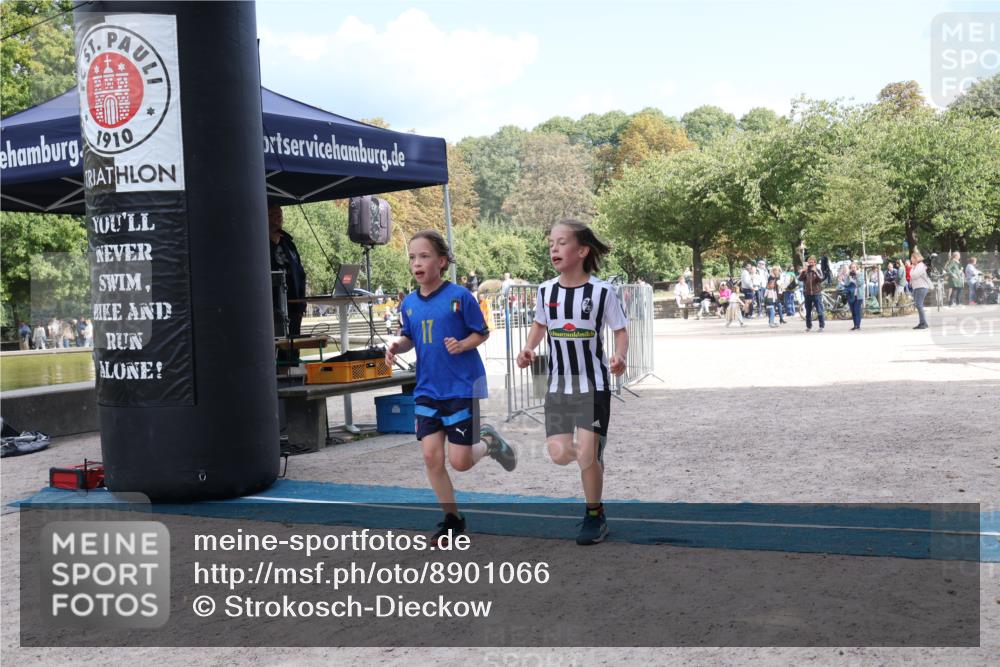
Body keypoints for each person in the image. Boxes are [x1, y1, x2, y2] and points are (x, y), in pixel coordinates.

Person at [384, 230, 516, 546]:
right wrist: (395, 345)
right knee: (431, 458)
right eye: (413, 257)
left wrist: (462, 344)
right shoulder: (409, 304)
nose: (417, 262)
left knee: (460, 462)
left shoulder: (460, 297)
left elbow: (482, 333)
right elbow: (409, 338)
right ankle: (453, 520)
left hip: (460, 389)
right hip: (427, 389)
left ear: (441, 261)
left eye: (424, 256)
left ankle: (489, 441)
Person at [516, 220, 628, 545]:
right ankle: (592, 457)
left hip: (592, 387)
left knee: (586, 456)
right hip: (557, 388)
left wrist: (620, 357)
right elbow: (539, 325)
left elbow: (620, 330)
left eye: (561, 242)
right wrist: (528, 348)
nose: (554, 248)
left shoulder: (602, 292)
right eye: (551, 242)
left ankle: (595, 514)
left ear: (581, 251)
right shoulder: (545, 291)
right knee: (559, 453)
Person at [268, 205, 307, 363]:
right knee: (277, 344)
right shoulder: (259, 242)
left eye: (280, 215)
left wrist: (302, 302)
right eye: (273, 215)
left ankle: (294, 371)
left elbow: (300, 273)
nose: (278, 218)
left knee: (293, 345)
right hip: (273, 306)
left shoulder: (288, 243)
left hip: (293, 304)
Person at [798, 255, 825, 332]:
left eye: (812, 262)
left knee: (819, 310)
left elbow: (821, 279)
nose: (811, 264)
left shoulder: (818, 270)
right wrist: (804, 271)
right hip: (807, 294)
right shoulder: (806, 271)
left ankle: (821, 326)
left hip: (816, 293)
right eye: (809, 262)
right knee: (808, 311)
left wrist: (815, 271)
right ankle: (808, 326)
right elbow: (800, 279)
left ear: (815, 263)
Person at [910, 251, 931, 329]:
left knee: (919, 305)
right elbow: (911, 275)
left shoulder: (921, 266)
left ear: (916, 258)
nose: (911, 259)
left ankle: (924, 323)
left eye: (912, 257)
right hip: (916, 287)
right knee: (918, 305)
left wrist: (911, 269)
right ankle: (921, 322)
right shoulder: (915, 266)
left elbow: (914, 275)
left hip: (922, 287)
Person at [840, 261, 864, 330]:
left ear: (856, 268)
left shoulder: (860, 274)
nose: (853, 269)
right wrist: (847, 276)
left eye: (854, 267)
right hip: (851, 295)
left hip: (858, 295)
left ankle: (858, 326)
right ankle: (855, 325)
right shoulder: (849, 275)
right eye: (851, 267)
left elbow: (860, 283)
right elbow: (846, 284)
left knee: (857, 310)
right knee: (853, 311)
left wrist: (856, 275)